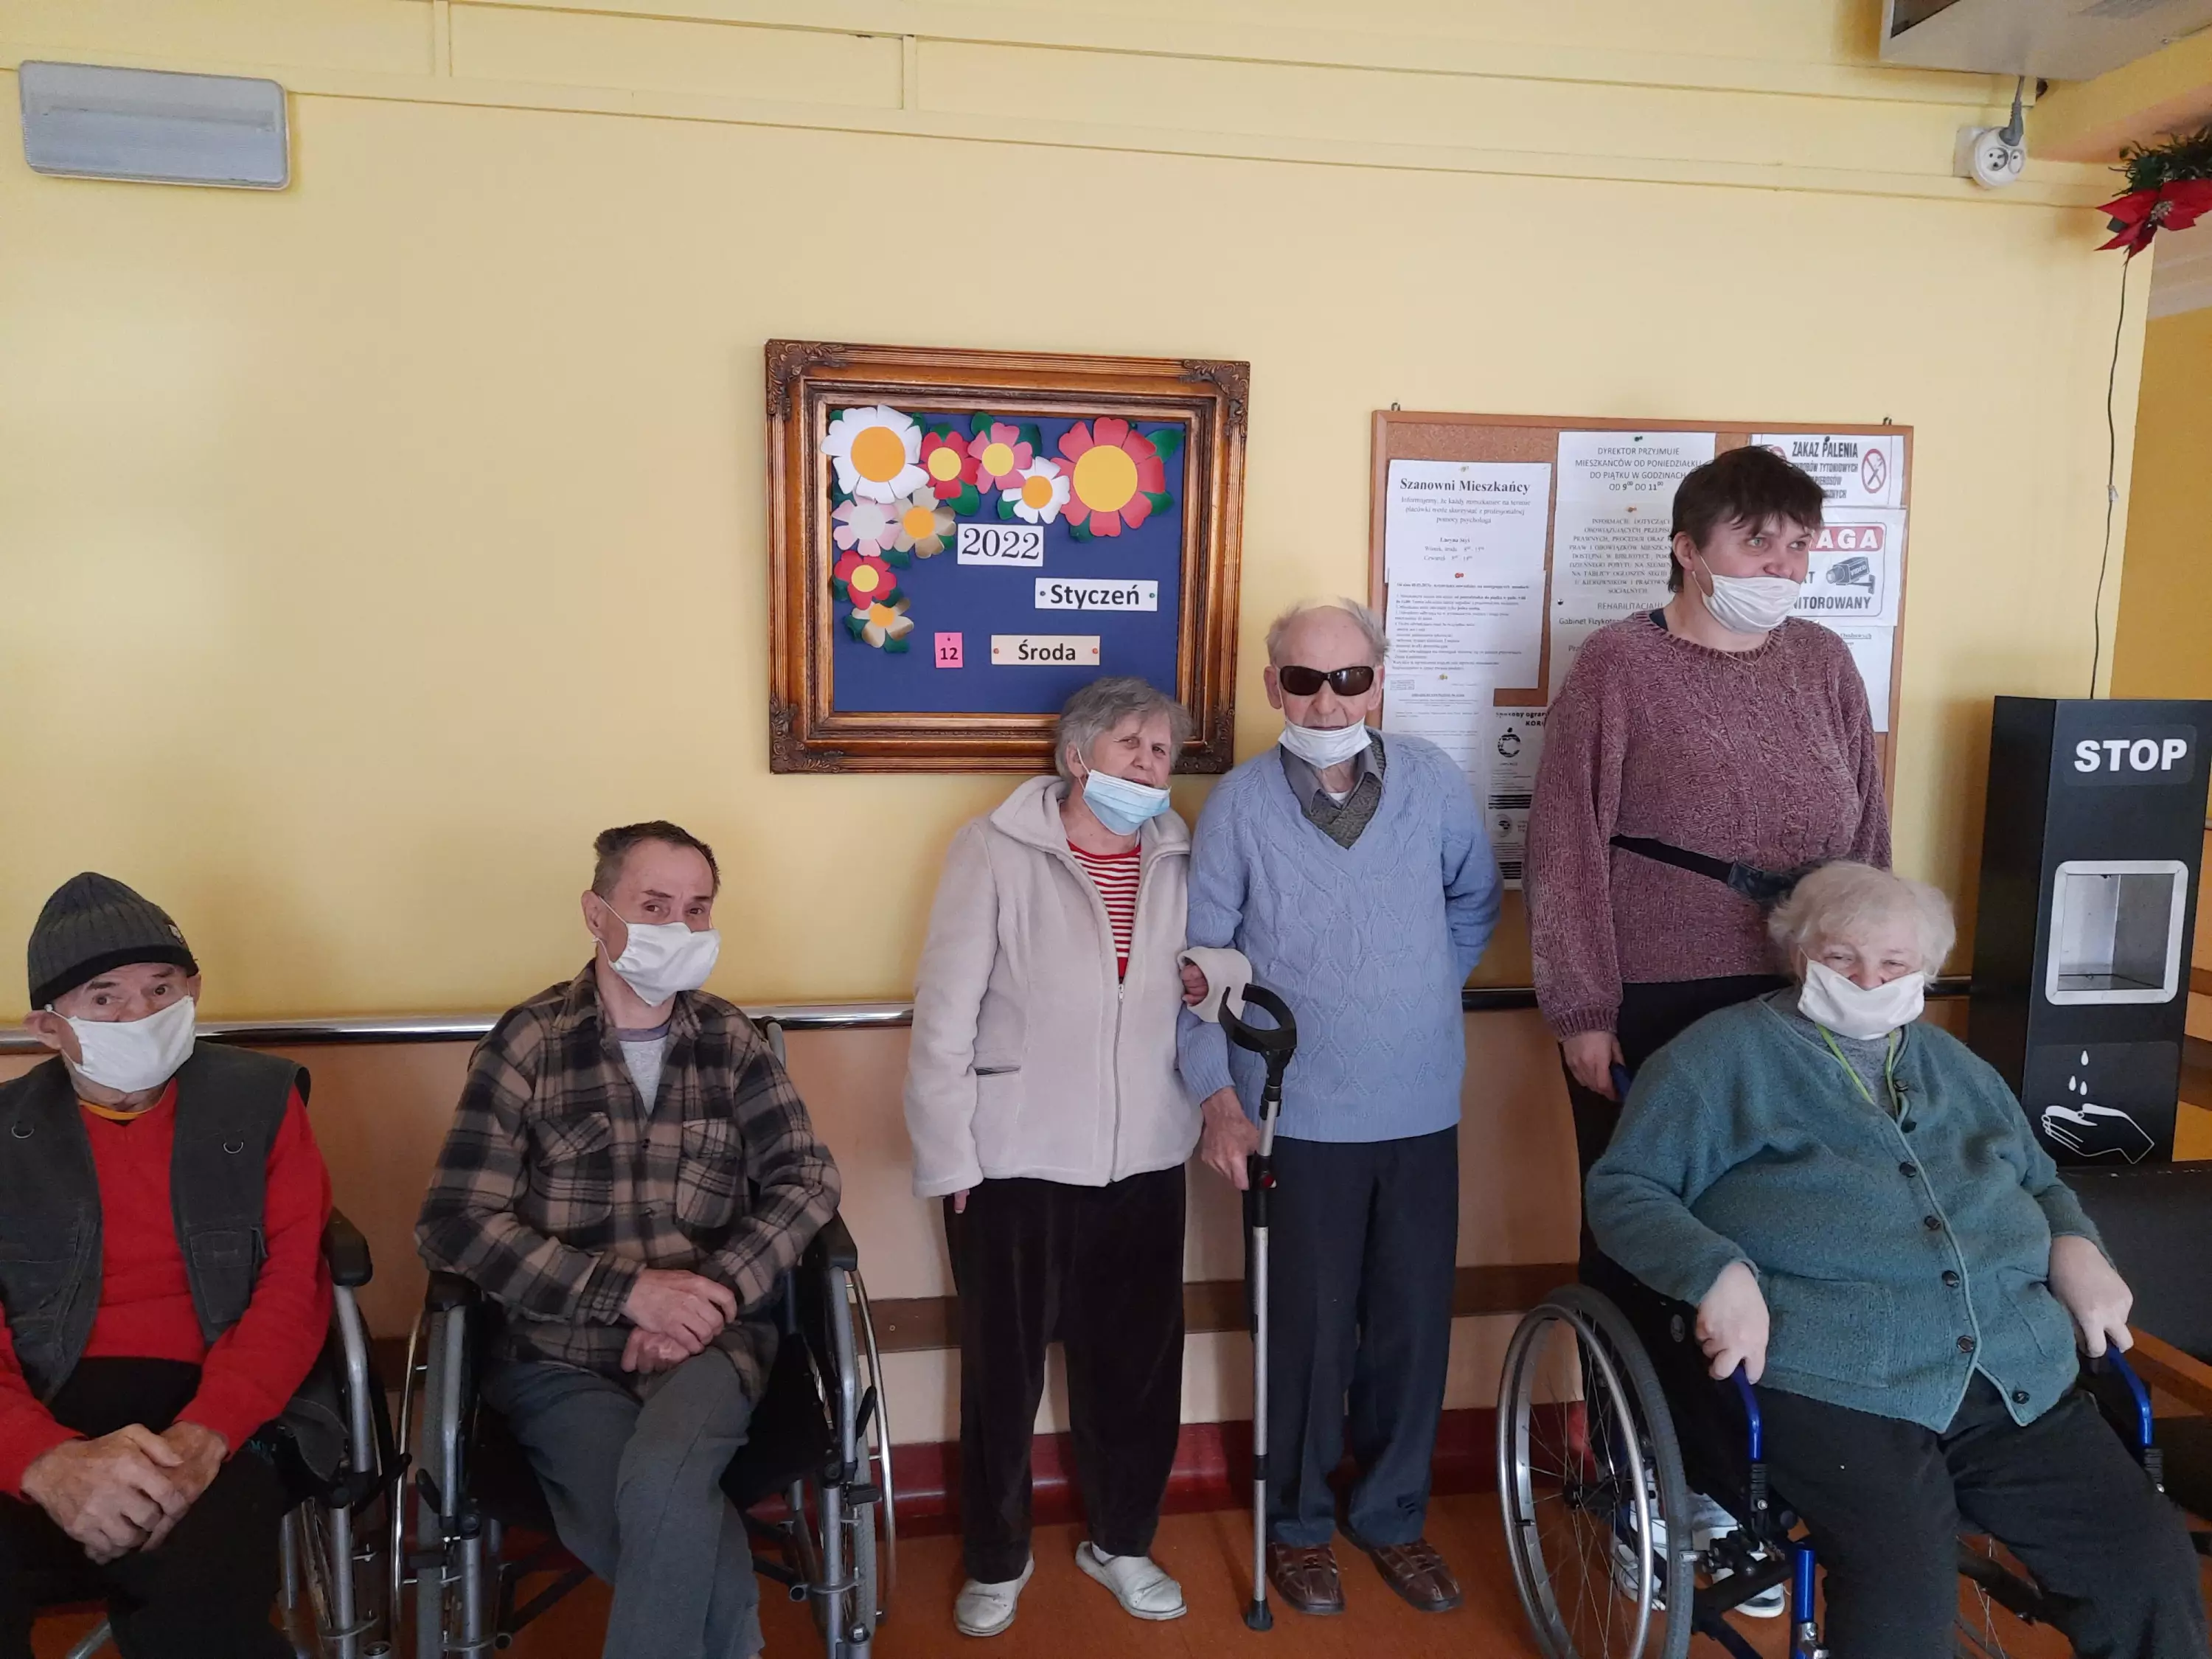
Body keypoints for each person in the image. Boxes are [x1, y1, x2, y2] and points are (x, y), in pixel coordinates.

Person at [1587, 862, 2206, 1659]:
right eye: (1841, 958)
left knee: (2146, 1562)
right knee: (1903, 1591)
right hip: (1836, 1376)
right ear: (1799, 954)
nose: (1867, 980)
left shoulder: (1958, 1068)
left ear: (1924, 972)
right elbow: (1625, 1189)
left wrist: (2077, 1245)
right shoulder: (1717, 1061)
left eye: (1893, 964)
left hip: (2011, 1367)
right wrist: (1714, 1271)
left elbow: (2040, 1180)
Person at [417, 821, 841, 1659]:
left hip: (712, 1344)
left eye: (697, 909)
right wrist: (632, 1295)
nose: (679, 927)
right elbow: (455, 1221)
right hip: (558, 1357)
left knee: (657, 1481)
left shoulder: (731, 1041)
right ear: (595, 914)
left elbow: (807, 1179)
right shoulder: (529, 1042)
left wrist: (708, 1297)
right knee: (665, 1519)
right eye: (654, 906)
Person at [1179, 599, 1501, 1618]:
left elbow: (1476, 902)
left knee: (1411, 1323)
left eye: (1351, 678)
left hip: (1419, 1105)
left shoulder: (1434, 784)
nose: (1329, 701)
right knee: (1306, 1336)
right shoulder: (1237, 806)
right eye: (1306, 680)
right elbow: (1199, 968)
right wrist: (1218, 1098)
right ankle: (1299, 1525)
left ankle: (1393, 1516)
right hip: (1294, 1115)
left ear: (1379, 681)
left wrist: (1417, 992)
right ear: (1272, 686)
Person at [905, 677, 1202, 1638]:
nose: (1149, 766)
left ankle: (1122, 1541)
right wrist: (950, 1155)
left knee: (1138, 1372)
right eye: (1129, 746)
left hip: (1146, 1156)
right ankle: (997, 1558)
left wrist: (1218, 975)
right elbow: (945, 1014)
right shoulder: (993, 848)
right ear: (1077, 757)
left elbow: (1226, 964)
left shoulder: (1181, 852)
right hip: (1013, 1162)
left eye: (1161, 751)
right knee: (1004, 1377)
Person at [1527, 445, 1890, 1181]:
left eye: (1799, 545)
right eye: (1757, 541)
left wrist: (1874, 971)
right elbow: (1564, 849)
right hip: (1662, 994)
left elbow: (1869, 836)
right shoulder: (1617, 664)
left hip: (1807, 988)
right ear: (1688, 550)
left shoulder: (1823, 659)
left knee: (1794, 1206)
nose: (1783, 565)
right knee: (1654, 1201)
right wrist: (1584, 1012)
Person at [0, 874, 334, 1659]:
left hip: (227, 1409)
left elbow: (293, 1287)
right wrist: (45, 1462)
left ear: (194, 992)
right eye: (105, 998)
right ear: (48, 1027)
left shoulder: (262, 1102)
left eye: (161, 988)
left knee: (203, 1611)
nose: (142, 1014)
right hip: (42, 1403)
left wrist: (205, 1439)